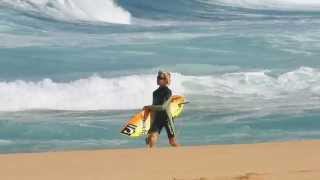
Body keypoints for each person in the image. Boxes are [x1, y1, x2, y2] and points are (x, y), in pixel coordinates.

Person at [143, 71, 179, 148]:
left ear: (166, 80)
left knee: (172, 142)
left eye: (160, 78)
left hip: (167, 119)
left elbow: (163, 107)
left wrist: (149, 107)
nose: (158, 79)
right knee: (152, 139)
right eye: (158, 77)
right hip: (158, 119)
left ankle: (182, 156)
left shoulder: (168, 92)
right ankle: (151, 157)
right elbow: (154, 109)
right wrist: (151, 124)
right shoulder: (155, 93)